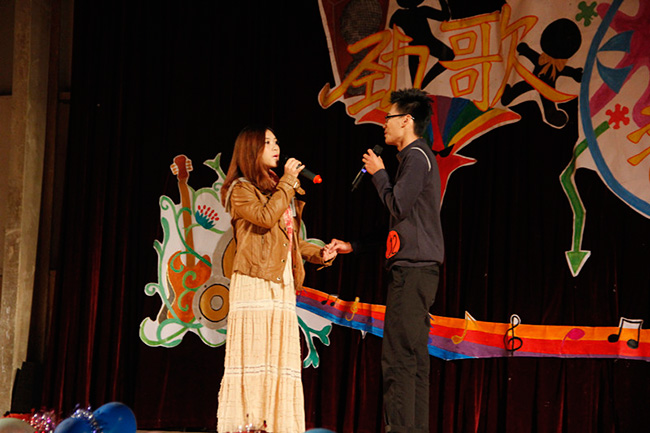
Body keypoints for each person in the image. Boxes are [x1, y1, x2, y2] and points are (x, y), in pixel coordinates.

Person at [326, 88, 444, 433]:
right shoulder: (414, 159)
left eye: (389, 118)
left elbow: (398, 205)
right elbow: (399, 223)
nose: (384, 124)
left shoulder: (417, 156)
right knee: (412, 357)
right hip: (416, 270)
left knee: (398, 358)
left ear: (406, 121)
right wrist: (354, 245)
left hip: (413, 271)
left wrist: (379, 173)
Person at [217, 125, 336, 433]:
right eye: (267, 142)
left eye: (276, 141)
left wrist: (319, 253)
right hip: (255, 279)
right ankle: (248, 425)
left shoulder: (278, 189)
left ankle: (277, 426)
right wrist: (287, 182)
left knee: (278, 358)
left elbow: (289, 240)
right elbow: (265, 217)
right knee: (255, 355)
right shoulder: (241, 189)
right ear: (250, 150)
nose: (276, 147)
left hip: (281, 283)